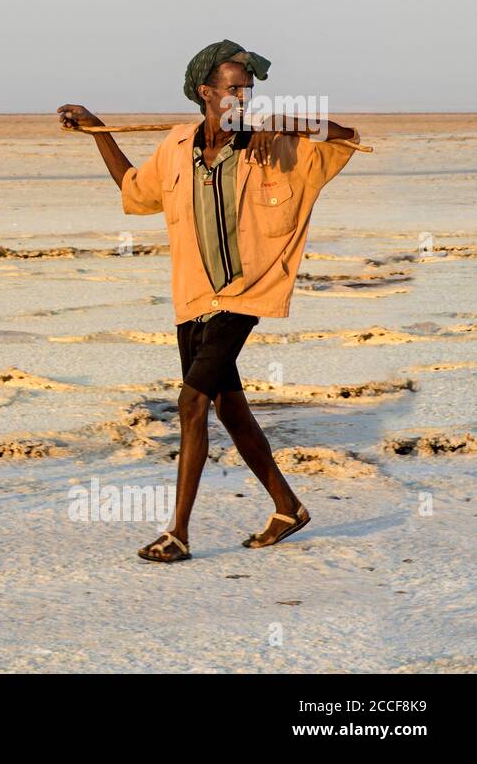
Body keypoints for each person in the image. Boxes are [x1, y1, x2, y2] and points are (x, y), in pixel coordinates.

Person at [58, 39, 361, 562]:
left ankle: (178, 532)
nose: (244, 97)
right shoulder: (178, 146)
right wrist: (96, 129)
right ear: (206, 92)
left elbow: (344, 138)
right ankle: (288, 507)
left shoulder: (274, 141)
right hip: (194, 296)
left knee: (191, 402)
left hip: (243, 293)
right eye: (234, 89)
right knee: (229, 407)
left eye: (249, 89)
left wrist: (288, 122)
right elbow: (134, 189)